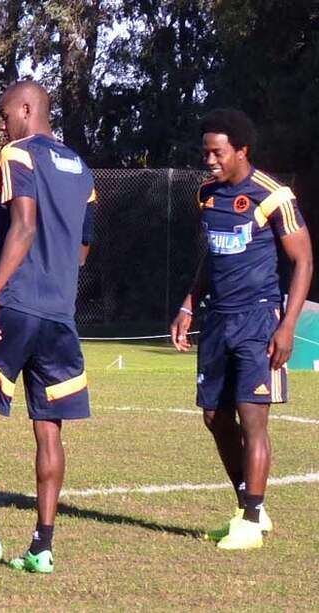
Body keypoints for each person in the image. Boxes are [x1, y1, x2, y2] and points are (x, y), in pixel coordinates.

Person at [0, 81, 95, 573]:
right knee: (49, 428)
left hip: (16, 304)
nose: (0, 123)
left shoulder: (18, 155)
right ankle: (43, 545)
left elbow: (24, 226)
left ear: (27, 109)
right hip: (61, 313)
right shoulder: (81, 167)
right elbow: (83, 249)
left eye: (3, 114)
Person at [170, 108, 312, 550]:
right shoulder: (207, 195)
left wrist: (288, 325)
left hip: (258, 319)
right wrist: (188, 305)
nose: (210, 160)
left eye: (218, 152)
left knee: (253, 418)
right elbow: (211, 257)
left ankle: (250, 519)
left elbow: (304, 260)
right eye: (206, 152)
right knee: (214, 416)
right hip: (217, 320)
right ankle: (249, 506)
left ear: (241, 150)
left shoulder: (274, 197)